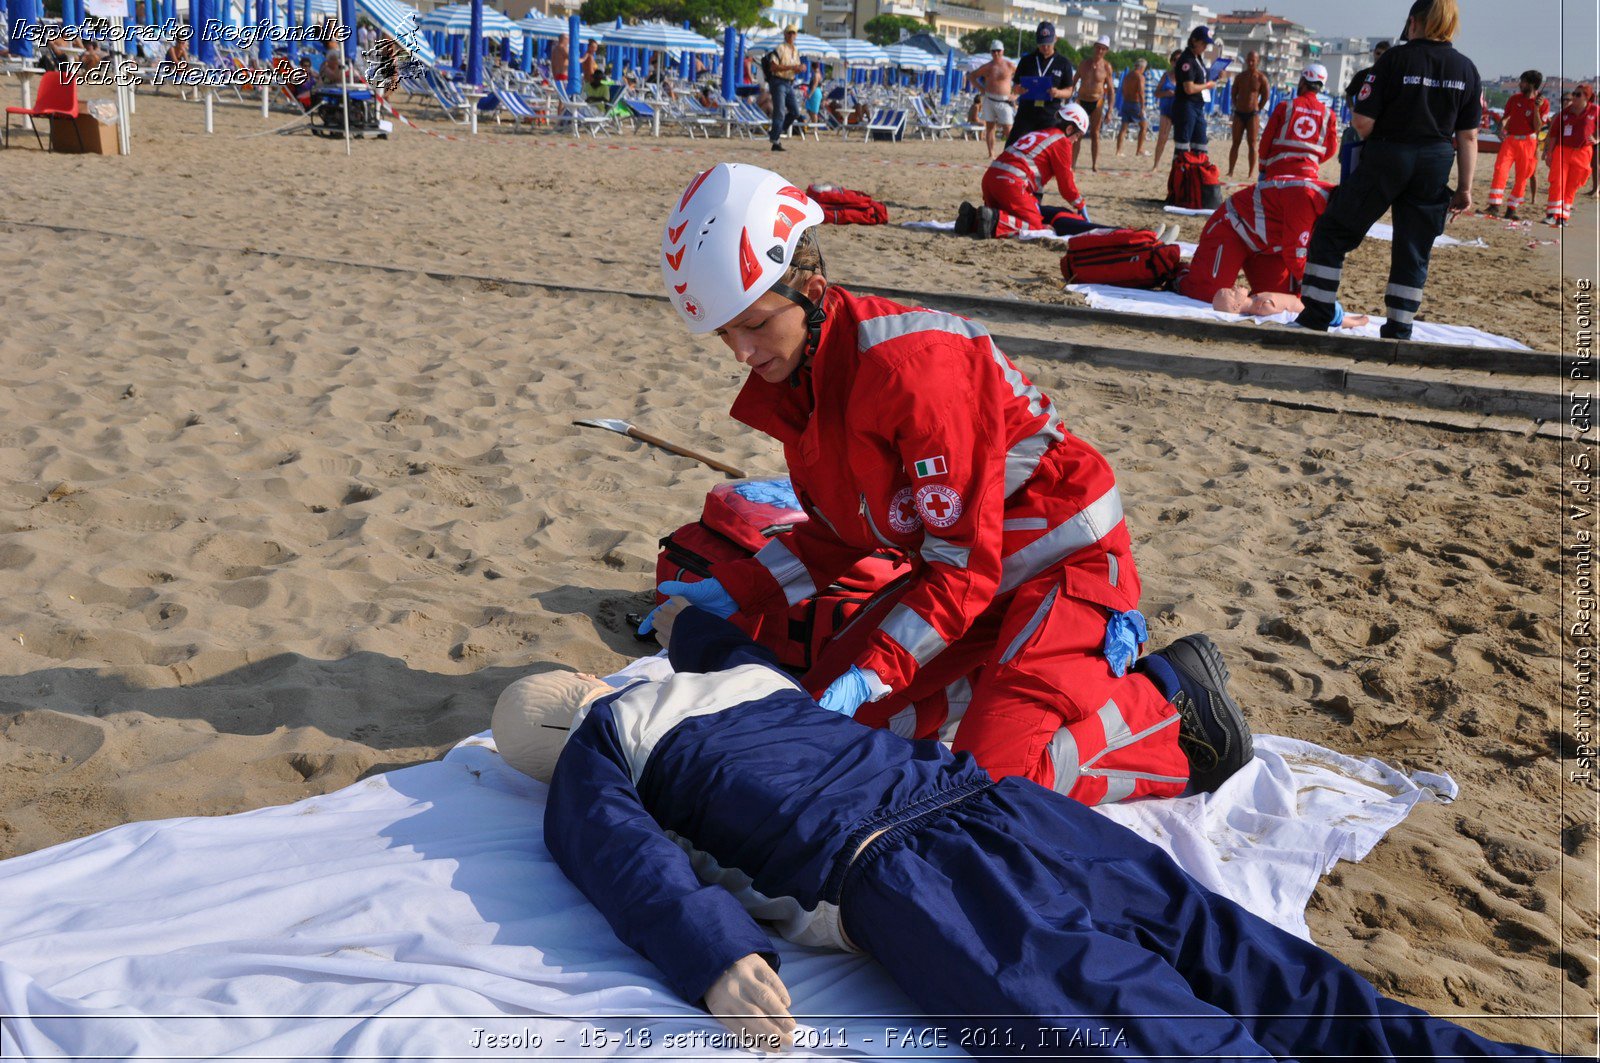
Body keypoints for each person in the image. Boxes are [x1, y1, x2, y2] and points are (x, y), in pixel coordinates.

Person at [498, 603, 1555, 1061]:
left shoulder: (608, 750)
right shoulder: (734, 676)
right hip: (1004, 808)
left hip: (909, 870)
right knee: (1260, 971)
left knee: (1136, 1029)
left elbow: (622, 862)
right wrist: (679, 618)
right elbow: (710, 632)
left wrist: (714, 957)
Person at [655, 163, 1251, 803]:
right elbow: (836, 536)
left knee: (998, 782)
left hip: (1062, 562)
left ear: (813, 291)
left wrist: (876, 667)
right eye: (724, 333)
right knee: (842, 727)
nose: (741, 353)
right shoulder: (804, 385)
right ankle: (1008, 691)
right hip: (974, 576)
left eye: (753, 324)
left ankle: (1168, 706)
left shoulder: (912, 372)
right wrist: (739, 588)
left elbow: (962, 567)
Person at [1295, 0, 1479, 341]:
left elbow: (1363, 121)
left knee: (1334, 229)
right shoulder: (1466, 69)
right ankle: (1399, 327)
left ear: (1414, 23)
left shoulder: (1396, 58)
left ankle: (1317, 314)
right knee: (1413, 246)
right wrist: (1464, 189)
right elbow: (1467, 136)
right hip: (1436, 161)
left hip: (1389, 154)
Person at [1178, 65, 1339, 305]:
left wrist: (1264, 167)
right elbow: (1331, 148)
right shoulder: (1328, 114)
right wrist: (1320, 293)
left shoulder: (1286, 107)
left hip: (1277, 178)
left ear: (1302, 83)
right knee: (1205, 293)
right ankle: (1178, 274)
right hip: (1295, 186)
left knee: (1283, 298)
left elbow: (1266, 142)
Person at [958, 102, 1091, 238]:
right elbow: (1066, 185)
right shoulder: (1062, 142)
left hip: (990, 179)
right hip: (1011, 184)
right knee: (1035, 227)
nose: (1075, 141)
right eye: (1077, 136)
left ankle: (972, 218)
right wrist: (1080, 204)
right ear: (1069, 129)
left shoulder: (1041, 134)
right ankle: (993, 220)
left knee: (998, 216)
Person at [1485, 70, 1550, 219]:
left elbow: (1538, 127)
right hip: (1510, 140)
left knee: (1522, 176)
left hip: (1529, 141)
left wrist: (1536, 108)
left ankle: (1511, 209)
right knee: (1500, 169)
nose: (1520, 84)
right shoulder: (1514, 99)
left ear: (1532, 84)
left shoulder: (1543, 103)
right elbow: (1505, 118)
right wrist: (1501, 129)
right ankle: (1494, 205)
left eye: (1523, 82)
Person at [1005, 21, 1073, 148]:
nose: (1045, 47)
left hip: (1050, 115)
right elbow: (1015, 85)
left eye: (1048, 43)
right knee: (1012, 146)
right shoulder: (1026, 60)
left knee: (1049, 150)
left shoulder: (1063, 63)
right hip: (1026, 113)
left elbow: (1069, 90)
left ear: (1055, 39)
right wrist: (1018, 89)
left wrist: (1057, 93)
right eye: (1042, 44)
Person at [1543, 83, 1598, 227]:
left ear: (1587, 97)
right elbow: (1553, 134)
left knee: (1572, 186)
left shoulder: (1595, 110)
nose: (1574, 97)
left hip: (1583, 153)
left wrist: (1597, 139)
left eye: (1578, 94)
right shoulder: (1565, 113)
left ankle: (1563, 216)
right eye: (1573, 94)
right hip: (1562, 150)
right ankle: (1551, 214)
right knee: (1557, 182)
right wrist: (1549, 153)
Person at [1339, 40, 1390, 181]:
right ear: (1374, 53)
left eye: (1384, 54)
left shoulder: (1392, 77)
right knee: (1349, 159)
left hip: (1381, 130)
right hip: (1360, 125)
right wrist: (1352, 109)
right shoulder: (1363, 75)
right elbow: (1349, 93)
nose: (1380, 57)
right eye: (1378, 53)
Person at [1171, 25, 1220, 156]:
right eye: (1203, 43)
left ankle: (1196, 174)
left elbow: (1201, 79)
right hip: (1186, 106)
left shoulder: (1197, 59)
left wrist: (1213, 75)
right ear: (1194, 40)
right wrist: (1208, 85)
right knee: (1183, 147)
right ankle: (1180, 174)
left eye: (1207, 44)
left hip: (1198, 107)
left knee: (1201, 147)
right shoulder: (1187, 60)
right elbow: (1189, 88)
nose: (1205, 47)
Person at [966, 40, 1016, 159]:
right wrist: (981, 89)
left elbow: (1022, 79)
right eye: (994, 51)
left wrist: (1015, 94)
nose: (996, 53)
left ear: (1002, 51)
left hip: (1005, 100)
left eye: (998, 51)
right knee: (990, 128)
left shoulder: (1009, 65)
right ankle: (991, 154)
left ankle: (1012, 154)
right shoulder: (987, 67)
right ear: (991, 52)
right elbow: (971, 76)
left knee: (1008, 129)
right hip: (989, 99)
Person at [1072, 36, 1113, 172]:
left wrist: (1110, 110)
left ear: (1106, 51)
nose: (1099, 51)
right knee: (1078, 133)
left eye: (1103, 49)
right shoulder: (1084, 63)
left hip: (1097, 102)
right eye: (1098, 47)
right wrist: (1067, 100)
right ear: (1094, 47)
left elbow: (1111, 91)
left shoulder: (1107, 67)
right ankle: (1073, 163)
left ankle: (1094, 164)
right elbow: (1074, 81)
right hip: (1082, 100)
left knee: (1095, 133)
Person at [1227, 50, 1270, 177]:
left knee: (1252, 144)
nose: (1250, 63)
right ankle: (1230, 171)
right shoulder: (1240, 77)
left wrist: (1258, 109)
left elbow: (1266, 96)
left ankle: (1251, 173)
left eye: (1253, 60)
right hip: (1239, 113)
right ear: (1246, 60)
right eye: (1249, 60)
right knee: (1235, 143)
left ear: (1258, 61)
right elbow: (1233, 93)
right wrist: (1236, 104)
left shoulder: (1262, 78)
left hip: (1253, 114)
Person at [764, 26, 802, 152]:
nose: (792, 35)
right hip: (778, 82)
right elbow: (773, 67)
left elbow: (793, 68)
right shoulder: (780, 48)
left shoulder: (795, 50)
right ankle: (775, 140)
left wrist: (798, 69)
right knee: (779, 111)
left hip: (789, 82)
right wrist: (792, 68)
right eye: (789, 33)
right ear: (785, 35)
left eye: (794, 33)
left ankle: (775, 133)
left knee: (795, 112)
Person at [1149, 49, 1182, 169]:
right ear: (1172, 62)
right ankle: (1156, 165)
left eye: (1180, 60)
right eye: (1175, 60)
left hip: (1180, 111)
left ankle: (1178, 166)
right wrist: (1166, 93)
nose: (1177, 62)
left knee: (1180, 140)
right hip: (1166, 110)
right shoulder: (1166, 76)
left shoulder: (1186, 77)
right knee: (1162, 138)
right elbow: (1156, 93)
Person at [1114, 58, 1148, 157]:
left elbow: (1123, 90)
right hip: (1136, 103)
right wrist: (1142, 107)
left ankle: (1118, 151)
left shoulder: (1127, 76)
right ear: (1142, 67)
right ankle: (1139, 150)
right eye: (1144, 68)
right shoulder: (1140, 77)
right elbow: (1141, 93)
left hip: (1126, 102)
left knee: (1123, 128)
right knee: (1144, 127)